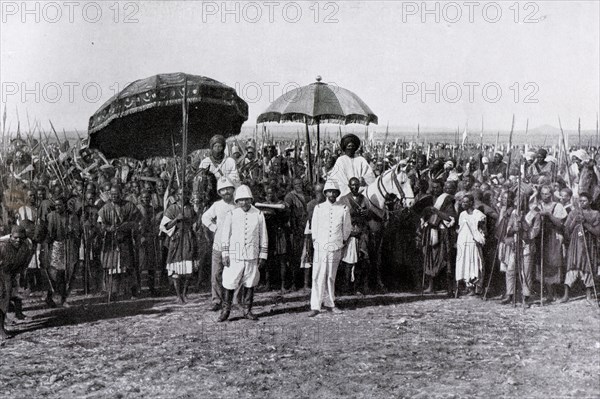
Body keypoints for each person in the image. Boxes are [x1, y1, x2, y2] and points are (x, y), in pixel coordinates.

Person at [218, 185, 268, 322]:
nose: (244, 203)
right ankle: (225, 310)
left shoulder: (258, 214)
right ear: (237, 201)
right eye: (241, 200)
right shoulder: (232, 214)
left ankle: (247, 310)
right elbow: (225, 236)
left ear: (251, 200)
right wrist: (225, 254)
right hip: (235, 256)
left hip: (252, 255)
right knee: (229, 282)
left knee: (250, 282)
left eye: (246, 200)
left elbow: (263, 235)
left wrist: (263, 255)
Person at [308, 179, 352, 317]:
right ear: (325, 193)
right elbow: (314, 228)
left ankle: (330, 304)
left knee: (331, 276)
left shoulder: (343, 208)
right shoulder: (319, 208)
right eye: (329, 191)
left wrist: (342, 242)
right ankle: (315, 306)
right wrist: (316, 243)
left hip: (336, 246)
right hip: (321, 246)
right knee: (317, 275)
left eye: (334, 192)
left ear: (337, 193)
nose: (332, 194)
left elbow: (347, 228)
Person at [97, 185, 141, 301]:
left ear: (121, 194)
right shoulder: (106, 208)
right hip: (111, 241)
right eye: (112, 194)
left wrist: (128, 225)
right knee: (112, 267)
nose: (114, 196)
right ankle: (113, 292)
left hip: (125, 240)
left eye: (116, 194)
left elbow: (137, 219)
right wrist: (107, 228)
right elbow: (100, 224)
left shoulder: (129, 205)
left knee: (128, 267)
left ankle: (133, 291)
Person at [201, 177, 236, 311]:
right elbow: (205, 217)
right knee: (216, 274)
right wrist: (213, 227)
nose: (226, 192)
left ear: (233, 190)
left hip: (234, 245)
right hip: (219, 244)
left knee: (234, 273)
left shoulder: (238, 204)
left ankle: (234, 300)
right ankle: (216, 300)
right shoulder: (217, 205)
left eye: (229, 189)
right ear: (219, 192)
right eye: (223, 190)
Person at [560, 193, 600, 303]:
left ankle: (589, 294)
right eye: (580, 201)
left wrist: (585, 223)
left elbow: (597, 232)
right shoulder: (574, 213)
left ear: (590, 202)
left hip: (588, 244)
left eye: (584, 201)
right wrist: (575, 221)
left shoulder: (595, 214)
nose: (582, 203)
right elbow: (567, 230)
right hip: (575, 245)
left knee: (588, 267)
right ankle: (566, 295)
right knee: (572, 267)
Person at [160, 187, 197, 303]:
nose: (183, 196)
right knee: (176, 268)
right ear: (177, 196)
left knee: (187, 268)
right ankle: (178, 295)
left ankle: (185, 293)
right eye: (181, 194)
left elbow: (195, 222)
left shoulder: (190, 209)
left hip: (188, 239)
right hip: (176, 240)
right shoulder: (172, 208)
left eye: (186, 194)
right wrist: (176, 219)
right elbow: (164, 226)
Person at [420, 179, 457, 296]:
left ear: (442, 188)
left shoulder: (447, 200)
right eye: (433, 187)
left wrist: (436, 211)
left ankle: (450, 288)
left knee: (444, 259)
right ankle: (431, 286)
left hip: (442, 232)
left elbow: (450, 217)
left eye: (437, 187)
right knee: (429, 258)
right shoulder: (429, 199)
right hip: (430, 231)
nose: (435, 189)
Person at [338, 177, 372, 295]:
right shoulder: (343, 199)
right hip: (350, 233)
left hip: (361, 233)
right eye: (352, 185)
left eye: (357, 185)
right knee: (348, 261)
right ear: (349, 186)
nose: (355, 187)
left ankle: (358, 287)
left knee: (361, 259)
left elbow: (369, 214)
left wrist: (367, 213)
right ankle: (346, 287)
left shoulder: (364, 199)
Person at [45, 196, 80, 307]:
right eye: (56, 205)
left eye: (60, 205)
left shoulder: (72, 216)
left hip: (68, 245)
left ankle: (63, 297)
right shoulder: (51, 216)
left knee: (67, 273)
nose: (58, 207)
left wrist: (72, 231)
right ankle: (52, 297)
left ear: (65, 205)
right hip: (56, 245)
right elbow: (48, 233)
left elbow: (77, 232)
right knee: (55, 273)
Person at [0, 226, 34, 340]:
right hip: (1, 273)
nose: (18, 240)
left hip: (10, 275)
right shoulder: (3, 246)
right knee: (2, 298)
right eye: (15, 237)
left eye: (21, 238)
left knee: (6, 299)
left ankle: (2, 327)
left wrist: (21, 279)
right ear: (11, 236)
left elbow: (22, 265)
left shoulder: (25, 248)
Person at [536, 185, 568, 302]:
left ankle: (555, 292)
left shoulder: (557, 206)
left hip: (554, 237)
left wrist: (549, 215)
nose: (545, 196)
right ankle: (549, 293)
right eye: (543, 194)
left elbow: (560, 224)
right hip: (542, 237)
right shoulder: (538, 206)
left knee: (554, 263)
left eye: (547, 194)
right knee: (543, 264)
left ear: (551, 194)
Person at [455, 194, 486, 296]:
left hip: (473, 243)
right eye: (462, 202)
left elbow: (482, 230)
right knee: (464, 264)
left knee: (474, 264)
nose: (463, 204)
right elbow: (460, 229)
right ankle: (468, 287)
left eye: (465, 202)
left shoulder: (479, 215)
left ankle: (476, 288)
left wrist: (479, 239)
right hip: (463, 242)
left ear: (471, 203)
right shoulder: (462, 214)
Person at [284, 178, 308, 289]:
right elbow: (286, 210)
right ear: (293, 185)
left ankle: (304, 283)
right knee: (294, 257)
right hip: (295, 229)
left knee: (305, 255)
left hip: (305, 228)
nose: (299, 185)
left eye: (300, 183)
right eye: (296, 184)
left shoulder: (306, 195)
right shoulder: (290, 196)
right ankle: (293, 283)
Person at [138, 190, 161, 296]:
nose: (146, 200)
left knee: (151, 264)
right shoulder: (138, 209)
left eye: (148, 198)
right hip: (141, 238)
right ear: (141, 198)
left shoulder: (153, 209)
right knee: (141, 264)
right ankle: (140, 288)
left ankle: (152, 288)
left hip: (151, 238)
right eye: (144, 198)